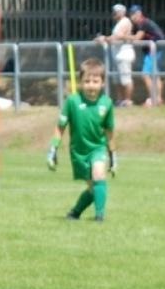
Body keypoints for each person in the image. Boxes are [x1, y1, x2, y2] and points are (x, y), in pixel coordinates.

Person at [47, 58, 117, 223]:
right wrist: (53, 150)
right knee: (93, 189)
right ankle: (75, 212)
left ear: (102, 83)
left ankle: (100, 216)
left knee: (99, 176)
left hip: (98, 148)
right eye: (87, 81)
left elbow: (109, 131)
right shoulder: (72, 102)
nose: (91, 85)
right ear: (80, 82)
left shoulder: (107, 104)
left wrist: (113, 155)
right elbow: (60, 127)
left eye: (95, 81)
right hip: (78, 152)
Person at [99, 3, 136, 107]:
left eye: (116, 11)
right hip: (116, 54)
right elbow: (114, 37)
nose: (114, 13)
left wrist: (105, 39)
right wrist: (105, 38)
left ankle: (128, 100)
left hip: (124, 54)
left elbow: (117, 37)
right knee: (117, 79)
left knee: (126, 78)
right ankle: (120, 100)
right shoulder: (118, 23)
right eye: (114, 11)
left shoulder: (125, 21)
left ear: (122, 12)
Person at [128, 5, 165, 107]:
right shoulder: (142, 23)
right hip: (156, 50)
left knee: (145, 74)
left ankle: (153, 99)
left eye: (133, 15)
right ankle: (158, 99)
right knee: (155, 75)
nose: (131, 18)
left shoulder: (143, 23)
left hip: (153, 51)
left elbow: (137, 38)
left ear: (138, 14)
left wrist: (124, 37)